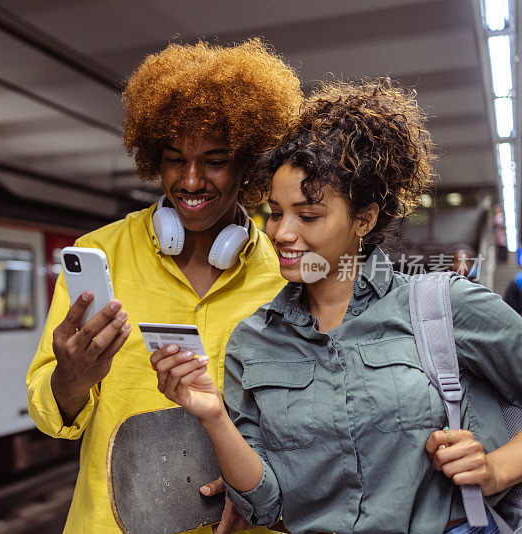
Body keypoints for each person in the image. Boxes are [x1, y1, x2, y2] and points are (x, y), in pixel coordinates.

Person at [152, 79, 522, 533]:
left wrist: (498, 468)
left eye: (308, 216)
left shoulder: (442, 308)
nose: (282, 233)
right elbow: (264, 508)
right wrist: (213, 417)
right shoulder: (253, 340)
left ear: (364, 218)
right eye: (275, 211)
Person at [26, 39, 302, 533]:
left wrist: (263, 487)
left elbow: (321, 420)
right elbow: (51, 417)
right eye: (175, 159)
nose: (191, 180)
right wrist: (71, 377)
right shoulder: (101, 254)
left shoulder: (286, 271)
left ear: (251, 165)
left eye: (215, 160)